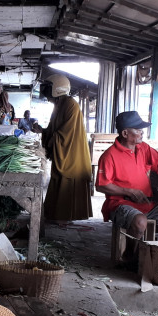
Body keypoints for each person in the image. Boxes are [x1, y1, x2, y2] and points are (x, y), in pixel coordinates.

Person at [95, 110, 158, 240]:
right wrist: (129, 191)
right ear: (125, 133)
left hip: (148, 204)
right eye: (138, 129)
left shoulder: (143, 148)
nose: (142, 132)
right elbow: (101, 186)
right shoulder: (109, 156)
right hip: (120, 204)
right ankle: (129, 256)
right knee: (140, 221)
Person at [40, 74, 93, 222]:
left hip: (71, 153)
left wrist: (51, 140)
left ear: (56, 89)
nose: (45, 93)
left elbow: (66, 133)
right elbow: (53, 128)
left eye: (48, 89)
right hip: (63, 150)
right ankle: (56, 214)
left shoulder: (71, 105)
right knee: (58, 180)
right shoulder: (58, 106)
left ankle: (65, 216)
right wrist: (43, 132)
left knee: (67, 180)